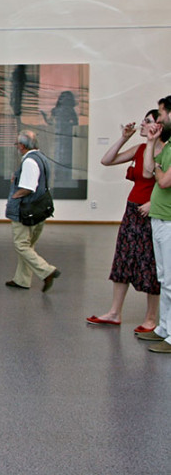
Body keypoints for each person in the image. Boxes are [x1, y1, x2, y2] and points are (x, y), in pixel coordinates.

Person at [86, 111, 162, 331]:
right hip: (132, 210)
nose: (142, 124)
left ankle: (151, 318)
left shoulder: (165, 152)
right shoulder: (139, 149)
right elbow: (106, 160)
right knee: (123, 259)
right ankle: (114, 312)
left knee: (150, 264)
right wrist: (123, 138)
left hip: (152, 212)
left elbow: (157, 179)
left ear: (158, 126)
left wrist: (154, 203)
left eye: (147, 121)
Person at [4, 130, 61, 292]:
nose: (17, 147)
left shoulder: (29, 161)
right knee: (29, 245)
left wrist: (15, 196)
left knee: (21, 245)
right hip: (38, 209)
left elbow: (28, 187)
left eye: (17, 144)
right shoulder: (41, 158)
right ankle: (22, 279)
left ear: (22, 146)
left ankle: (47, 271)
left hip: (25, 211)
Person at [139, 96, 171, 353]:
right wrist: (151, 142)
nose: (158, 119)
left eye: (161, 114)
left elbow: (163, 181)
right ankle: (163, 328)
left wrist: (159, 170)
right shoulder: (168, 145)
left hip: (169, 221)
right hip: (159, 218)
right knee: (163, 278)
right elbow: (148, 170)